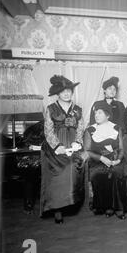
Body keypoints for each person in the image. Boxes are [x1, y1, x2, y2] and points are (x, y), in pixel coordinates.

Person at [40, 75, 85, 224]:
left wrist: (77, 142)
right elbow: (48, 131)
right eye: (63, 91)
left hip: (72, 145)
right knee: (56, 177)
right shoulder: (50, 108)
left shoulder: (78, 109)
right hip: (56, 146)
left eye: (69, 91)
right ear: (57, 93)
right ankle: (57, 209)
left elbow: (80, 128)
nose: (66, 94)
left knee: (72, 168)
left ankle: (69, 202)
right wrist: (57, 147)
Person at [84, 101, 127, 219]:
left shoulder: (116, 128)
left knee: (115, 173)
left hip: (115, 158)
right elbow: (87, 151)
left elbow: (122, 148)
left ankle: (118, 207)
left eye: (100, 113)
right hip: (98, 160)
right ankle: (106, 206)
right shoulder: (90, 130)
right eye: (95, 113)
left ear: (107, 115)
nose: (96, 115)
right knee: (98, 174)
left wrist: (118, 160)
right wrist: (101, 158)